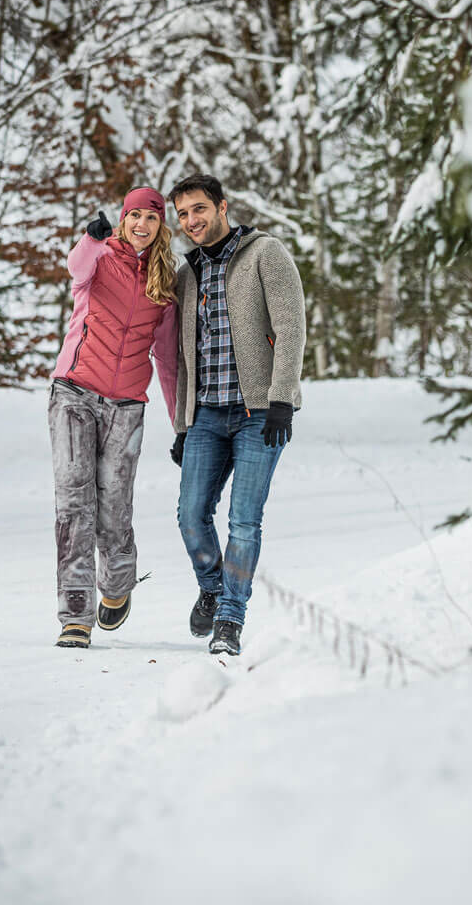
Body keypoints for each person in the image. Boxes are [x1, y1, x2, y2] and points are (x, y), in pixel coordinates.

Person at [168, 173, 305, 656]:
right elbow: (185, 354)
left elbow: (291, 327)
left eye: (199, 209)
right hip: (206, 413)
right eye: (182, 214)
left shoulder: (266, 253)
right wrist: (183, 424)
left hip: (259, 413)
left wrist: (282, 398)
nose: (191, 221)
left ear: (222, 206)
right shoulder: (187, 274)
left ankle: (230, 618)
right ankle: (213, 586)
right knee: (189, 515)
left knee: (244, 521)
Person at [49, 187, 179, 649]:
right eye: (134, 216)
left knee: (114, 507)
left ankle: (118, 582)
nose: (141, 224)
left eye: (151, 217)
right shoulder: (100, 257)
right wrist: (91, 239)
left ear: (162, 225)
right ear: (123, 220)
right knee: (74, 504)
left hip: (126, 405)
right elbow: (75, 268)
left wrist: (179, 421)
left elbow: (166, 358)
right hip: (74, 394)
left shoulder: (165, 283)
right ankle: (75, 616)